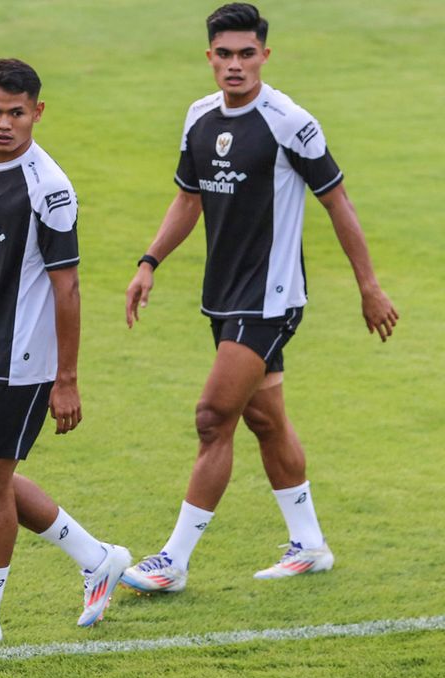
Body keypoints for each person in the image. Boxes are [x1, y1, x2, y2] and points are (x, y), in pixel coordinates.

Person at [121, 3, 399, 594]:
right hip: (222, 297)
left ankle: (173, 560)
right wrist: (149, 261)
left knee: (212, 416)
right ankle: (309, 545)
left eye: (247, 53)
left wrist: (368, 287)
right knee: (265, 419)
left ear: (265, 56)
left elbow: (337, 201)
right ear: (210, 58)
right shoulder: (198, 118)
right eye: (225, 54)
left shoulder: (289, 121)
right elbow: (188, 200)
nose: (236, 65)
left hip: (272, 298)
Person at [0, 58, 131, 650]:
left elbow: (67, 287)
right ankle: (97, 557)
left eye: (17, 113)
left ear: (37, 112)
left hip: (23, 361)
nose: (4, 124)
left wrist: (66, 379)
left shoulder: (50, 188)